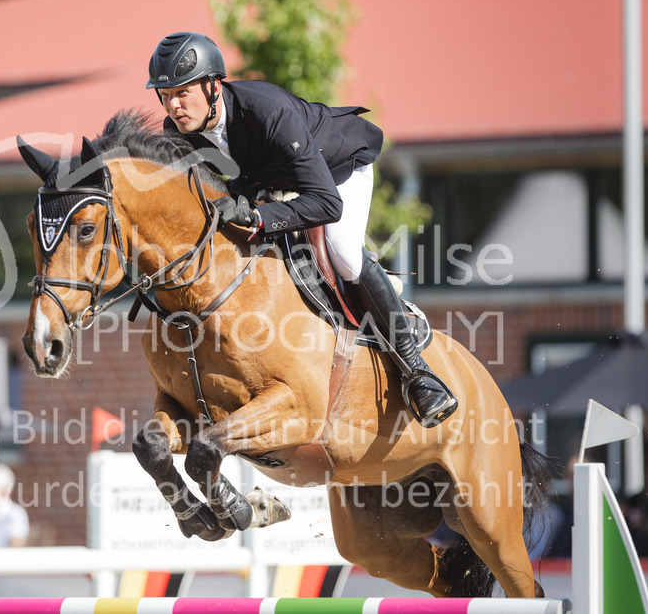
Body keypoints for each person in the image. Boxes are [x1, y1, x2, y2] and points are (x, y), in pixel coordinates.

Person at [145, 31, 457, 427]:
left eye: (182, 92)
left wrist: (259, 217)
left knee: (343, 252)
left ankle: (417, 371)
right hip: (269, 182)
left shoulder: (266, 112)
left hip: (337, 171)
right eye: (164, 95)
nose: (173, 105)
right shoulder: (179, 135)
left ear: (212, 86)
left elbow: (326, 202)